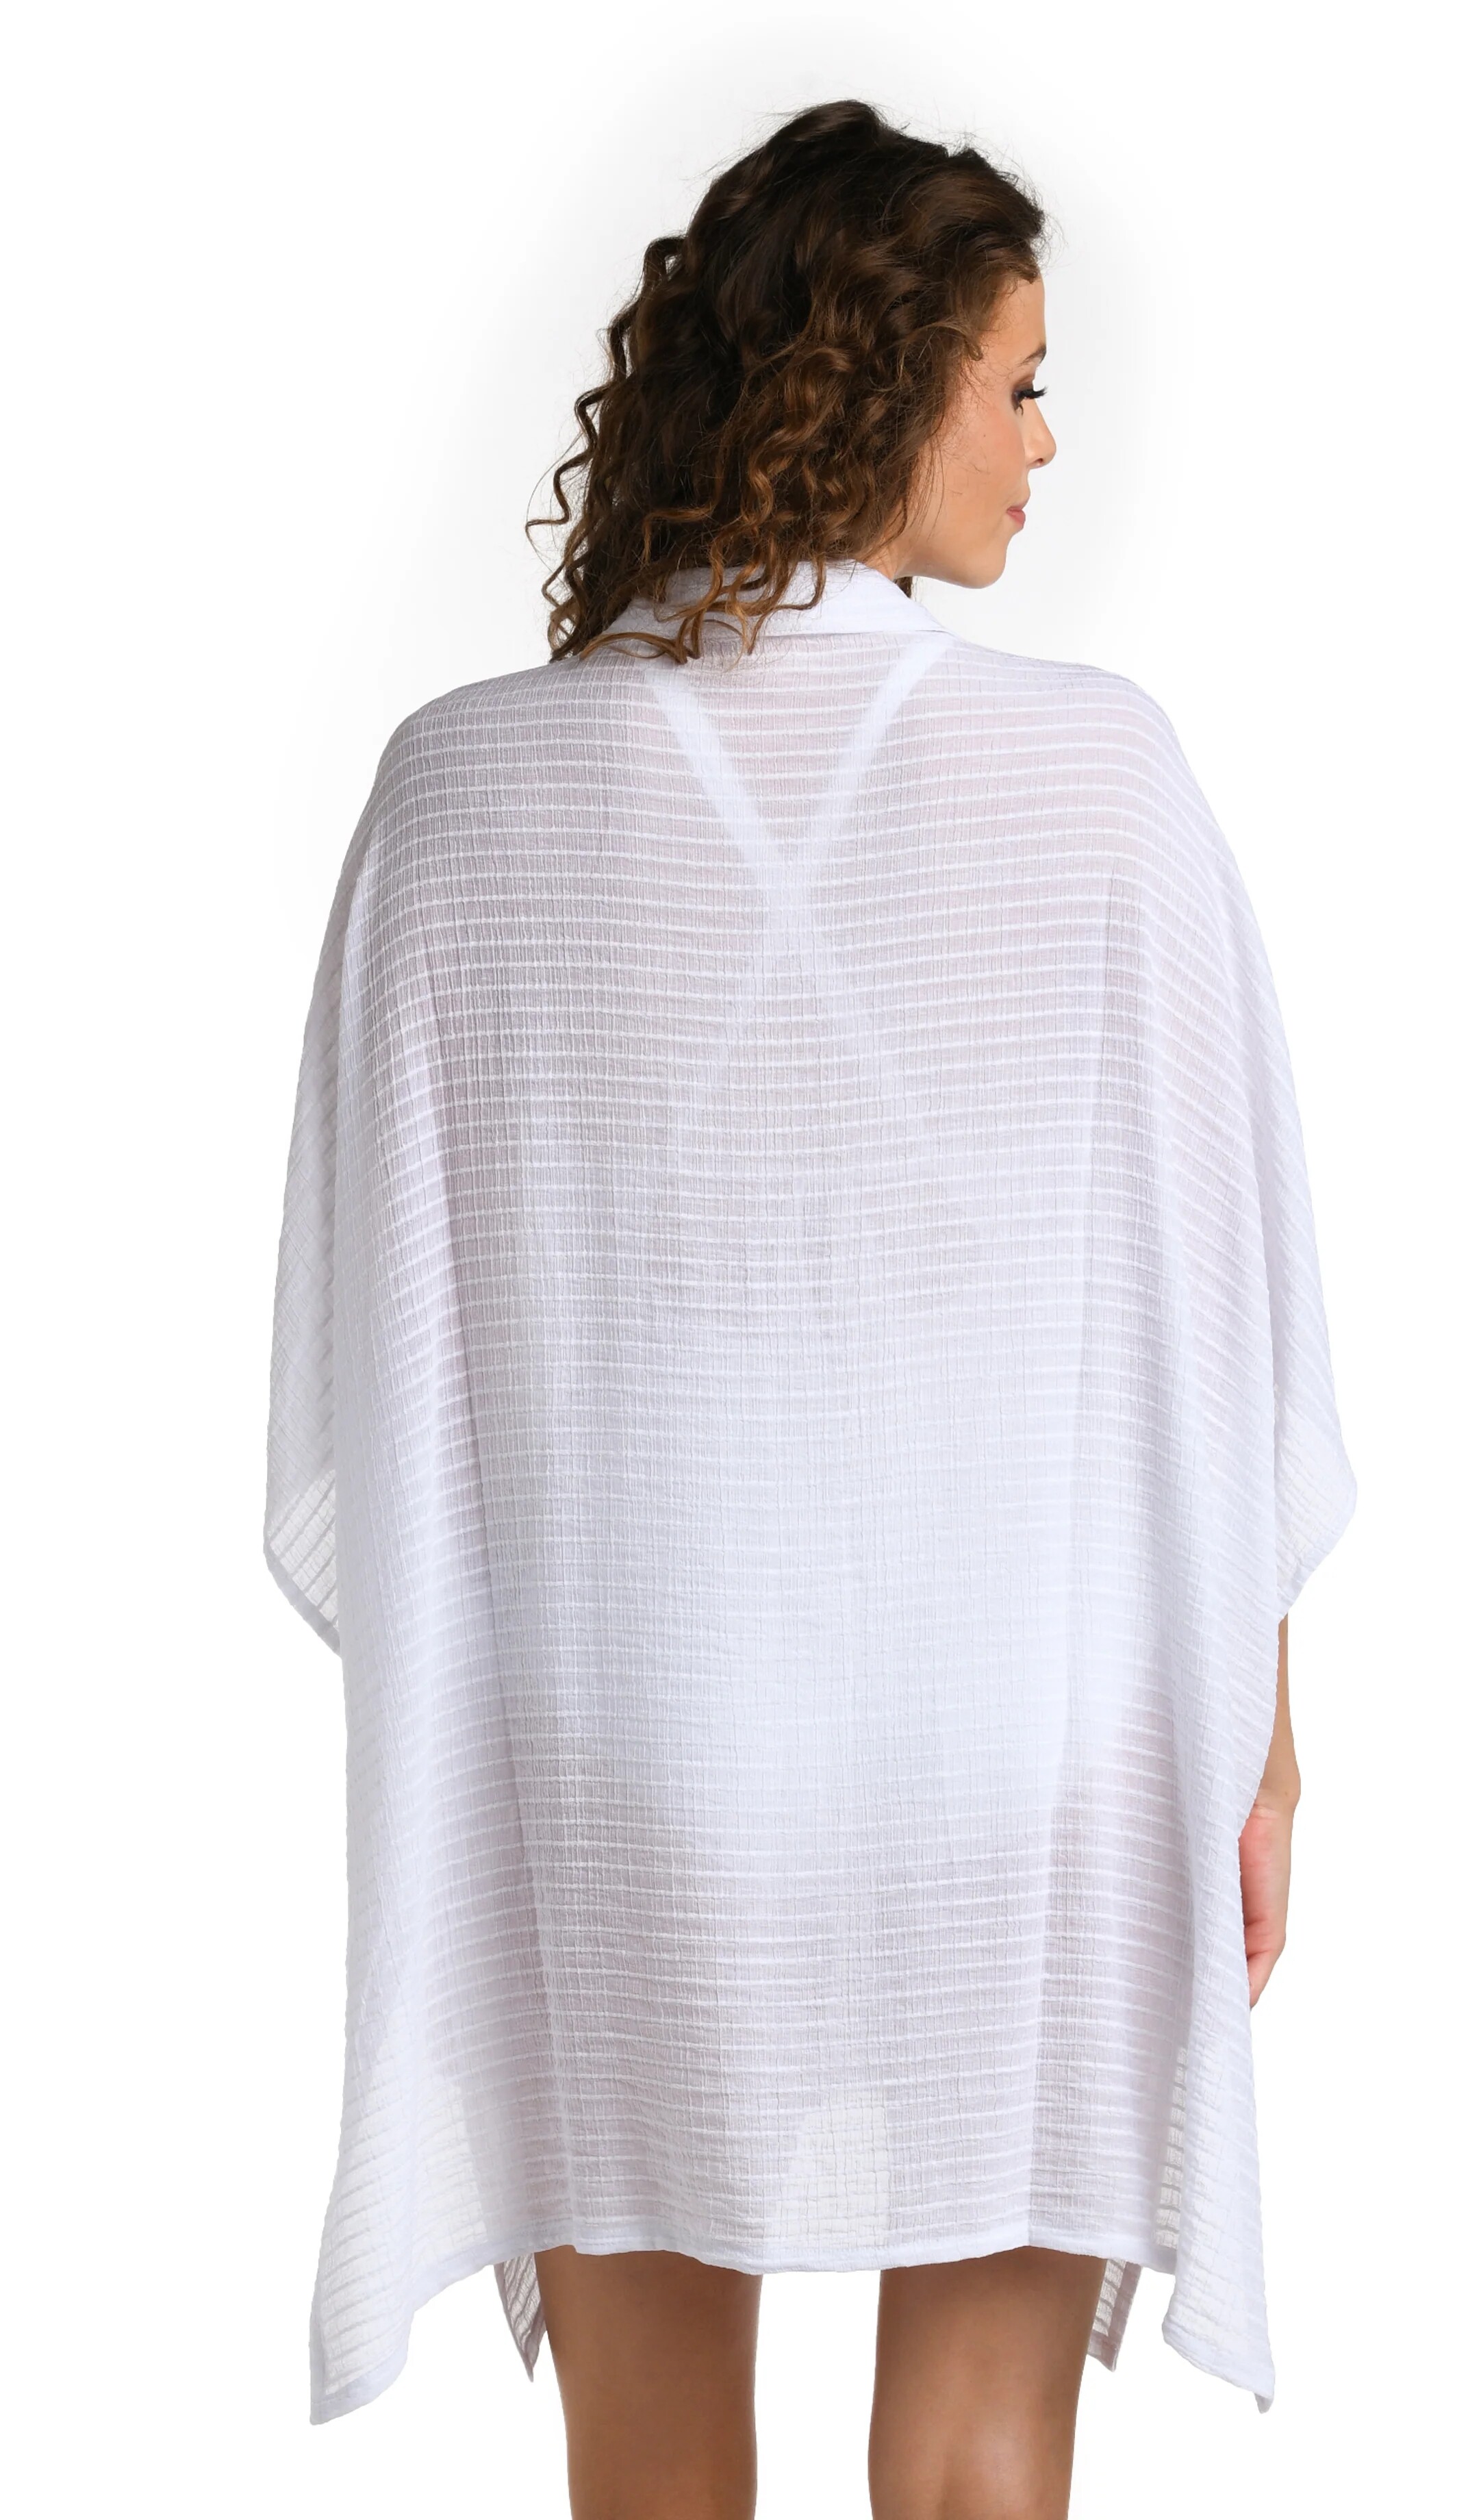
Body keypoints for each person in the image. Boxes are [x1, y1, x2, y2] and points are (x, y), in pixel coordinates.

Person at [264, 97, 1354, 2520]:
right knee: (981, 2467)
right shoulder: (1104, 780)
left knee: (652, 2475)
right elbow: (1219, 1321)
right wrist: (1262, 1748)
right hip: (1025, 1740)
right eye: (1022, 384)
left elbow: (383, 1374)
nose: (1049, 445)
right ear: (883, 377)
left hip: (628, 1742)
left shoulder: (463, 794)